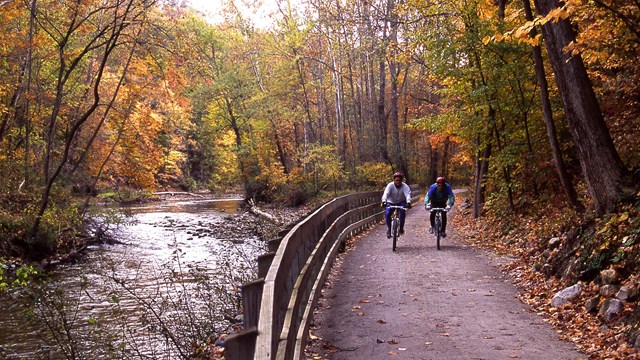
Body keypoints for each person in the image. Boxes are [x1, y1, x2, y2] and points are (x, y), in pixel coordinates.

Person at [381, 172, 412, 238]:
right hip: (391, 202)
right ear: (394, 180)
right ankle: (389, 229)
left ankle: (401, 228)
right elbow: (386, 193)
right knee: (387, 214)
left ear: (401, 180)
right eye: (396, 180)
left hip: (401, 201)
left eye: (399, 180)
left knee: (402, 212)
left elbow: (407, 194)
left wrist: (408, 202)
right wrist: (384, 201)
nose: (398, 182)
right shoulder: (390, 185)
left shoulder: (405, 186)